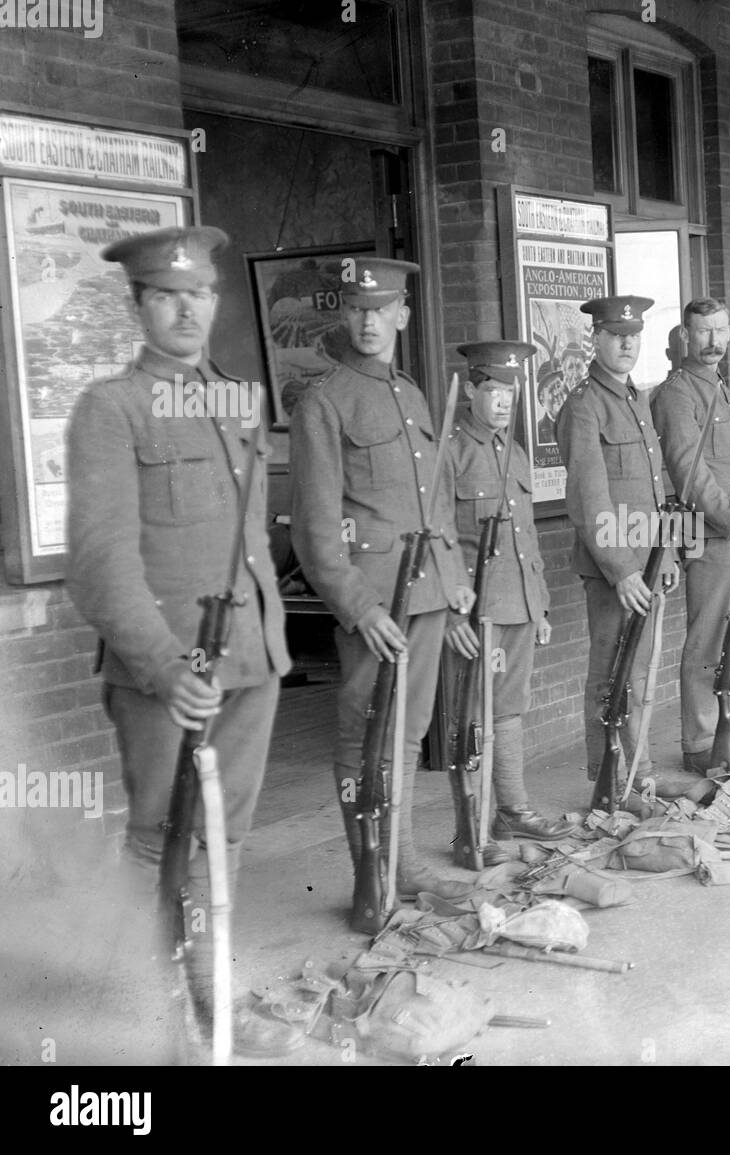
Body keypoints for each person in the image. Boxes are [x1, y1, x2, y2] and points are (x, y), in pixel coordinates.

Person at [66, 226, 300, 1057]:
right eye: (165, 295)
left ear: (215, 299)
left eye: (198, 293)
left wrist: (265, 641)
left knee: (221, 843)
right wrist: (166, 668)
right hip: (169, 670)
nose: (185, 308)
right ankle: (134, 1012)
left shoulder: (235, 398)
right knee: (156, 842)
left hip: (248, 658)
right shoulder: (110, 409)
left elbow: (244, 539)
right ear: (137, 306)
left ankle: (212, 1006)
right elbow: (99, 566)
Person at [290, 257, 473, 899]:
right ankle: (373, 875)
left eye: (381, 309)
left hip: (424, 594)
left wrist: (452, 589)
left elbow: (438, 504)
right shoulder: (324, 402)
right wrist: (358, 607)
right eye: (356, 309)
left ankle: (402, 863)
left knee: (410, 731)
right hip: (375, 600)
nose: (368, 321)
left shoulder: (414, 394)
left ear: (402, 314)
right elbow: (315, 528)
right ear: (345, 314)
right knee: (368, 730)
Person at [445, 341, 576, 861]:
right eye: (493, 390)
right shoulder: (449, 453)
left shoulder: (515, 452)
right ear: (472, 391)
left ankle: (512, 811)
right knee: (471, 717)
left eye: (510, 391)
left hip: (518, 604)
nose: (503, 401)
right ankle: (470, 830)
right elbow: (438, 538)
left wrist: (540, 606)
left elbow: (528, 541)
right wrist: (453, 610)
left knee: (509, 712)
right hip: (477, 611)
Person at [556, 295, 679, 792]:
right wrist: (623, 568)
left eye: (634, 335)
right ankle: (608, 782)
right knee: (612, 676)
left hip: (645, 565)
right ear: (597, 339)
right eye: (615, 335)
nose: (627, 343)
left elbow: (655, 490)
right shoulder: (584, 406)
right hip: (617, 572)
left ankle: (639, 774)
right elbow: (591, 499)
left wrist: (664, 554)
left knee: (640, 674)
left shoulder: (636, 400)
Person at [650, 298, 730, 774]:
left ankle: (723, 733)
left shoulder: (717, 386)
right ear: (685, 334)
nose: (713, 342)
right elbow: (688, 471)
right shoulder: (678, 393)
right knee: (708, 640)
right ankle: (701, 743)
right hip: (712, 533)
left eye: (721, 330)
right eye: (703, 332)